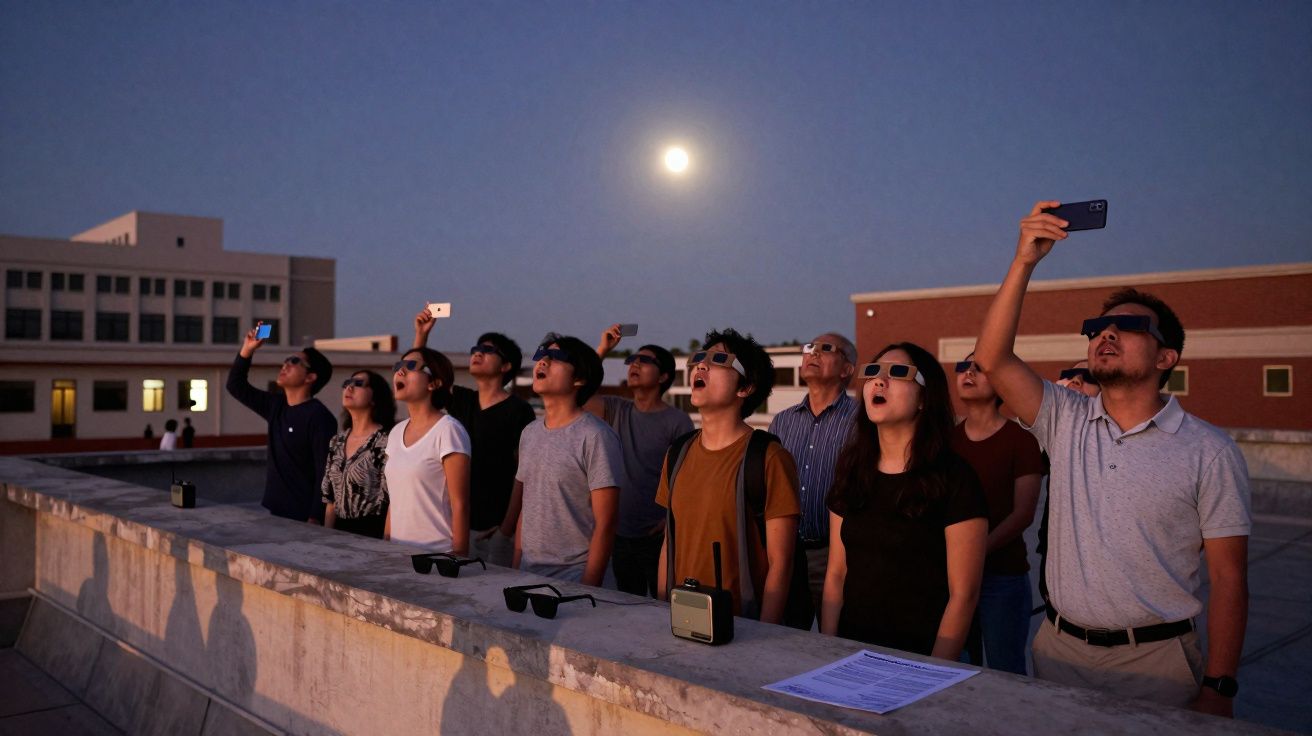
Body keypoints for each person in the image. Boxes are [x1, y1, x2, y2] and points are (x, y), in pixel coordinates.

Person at [974, 201, 1250, 716]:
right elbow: (991, 359)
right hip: (1058, 650)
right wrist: (1023, 263)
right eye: (1099, 325)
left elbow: (1231, 578)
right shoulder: (1066, 418)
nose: (1106, 332)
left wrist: (1220, 685)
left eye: (1127, 325)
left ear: (1166, 358)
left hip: (1158, 665)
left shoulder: (1209, 450)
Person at [821, 343, 988, 660]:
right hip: (853, 655)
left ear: (925, 397)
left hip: (923, 658)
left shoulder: (955, 478)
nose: (879, 381)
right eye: (873, 372)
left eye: (897, 372)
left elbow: (964, 594)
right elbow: (836, 574)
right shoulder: (851, 471)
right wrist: (830, 650)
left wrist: (932, 670)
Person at [656, 329, 801, 624]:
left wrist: (765, 636)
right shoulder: (677, 453)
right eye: (699, 359)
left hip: (742, 627)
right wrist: (661, 611)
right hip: (681, 619)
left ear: (745, 387)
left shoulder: (769, 458)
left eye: (719, 359)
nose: (701, 366)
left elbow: (781, 563)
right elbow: (668, 541)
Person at [414, 309, 535, 567]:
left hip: (493, 531)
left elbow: (525, 473)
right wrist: (421, 335)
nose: (477, 353)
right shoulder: (462, 400)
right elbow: (422, 377)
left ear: (505, 366)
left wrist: (506, 529)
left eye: (488, 350)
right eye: (475, 348)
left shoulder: (519, 410)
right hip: (454, 524)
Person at [950, 351, 1044, 674]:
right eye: (963, 367)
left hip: (1002, 577)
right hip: (950, 579)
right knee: (955, 669)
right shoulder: (945, 442)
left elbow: (1024, 513)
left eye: (979, 368)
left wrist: (974, 552)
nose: (968, 373)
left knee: (1006, 671)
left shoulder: (1022, 441)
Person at [588, 324, 694, 597]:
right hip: (619, 533)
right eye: (631, 359)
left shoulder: (677, 421)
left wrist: (671, 518)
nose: (634, 364)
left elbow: (688, 477)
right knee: (627, 606)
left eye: (645, 360)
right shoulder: (616, 409)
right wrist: (602, 349)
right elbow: (579, 392)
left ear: (664, 376)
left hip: (658, 536)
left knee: (663, 606)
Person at [513, 333, 622, 585]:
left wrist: (588, 588)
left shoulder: (596, 436)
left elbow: (606, 523)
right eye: (541, 355)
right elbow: (526, 510)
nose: (542, 361)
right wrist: (515, 567)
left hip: (575, 577)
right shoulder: (529, 433)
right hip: (527, 575)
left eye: (555, 357)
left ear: (580, 379)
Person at [766, 333, 859, 622]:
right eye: (810, 348)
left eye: (826, 349)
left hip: (836, 555)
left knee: (835, 643)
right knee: (783, 644)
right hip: (786, 553)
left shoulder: (863, 420)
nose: (813, 354)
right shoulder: (782, 420)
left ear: (846, 369)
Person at [226, 324, 337, 523]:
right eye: (286, 360)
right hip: (275, 510)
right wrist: (247, 350)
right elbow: (235, 385)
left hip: (303, 517)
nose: (285, 365)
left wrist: (315, 516)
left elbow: (325, 471)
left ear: (310, 377)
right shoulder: (276, 406)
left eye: (294, 361)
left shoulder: (319, 417)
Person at [384, 348, 472, 555]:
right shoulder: (396, 432)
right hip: (397, 554)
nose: (400, 371)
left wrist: (457, 558)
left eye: (411, 366)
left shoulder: (449, 430)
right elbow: (394, 501)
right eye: (398, 366)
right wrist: (385, 545)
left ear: (434, 383)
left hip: (436, 555)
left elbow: (460, 503)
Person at [321, 370, 395, 539]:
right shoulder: (337, 441)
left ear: (375, 397)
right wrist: (325, 538)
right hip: (337, 533)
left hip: (372, 533)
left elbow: (391, 500)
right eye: (347, 383)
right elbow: (330, 498)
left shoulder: (386, 441)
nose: (349, 387)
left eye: (359, 384)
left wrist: (385, 544)